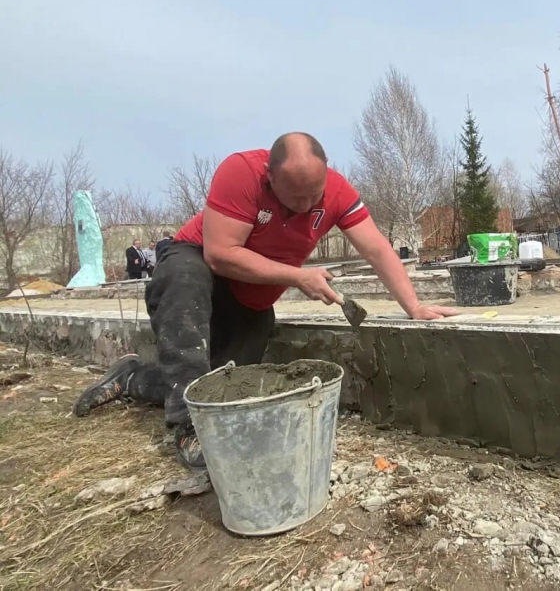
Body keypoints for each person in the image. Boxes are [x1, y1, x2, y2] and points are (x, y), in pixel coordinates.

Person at [74, 133, 459, 468]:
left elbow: (376, 248)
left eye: (315, 195)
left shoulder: (339, 192)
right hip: (197, 264)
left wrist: (415, 306)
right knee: (184, 277)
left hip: (250, 299)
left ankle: (133, 377)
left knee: (217, 383)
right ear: (270, 177)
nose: (308, 206)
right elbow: (220, 254)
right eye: (295, 199)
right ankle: (190, 430)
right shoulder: (240, 172)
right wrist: (297, 276)